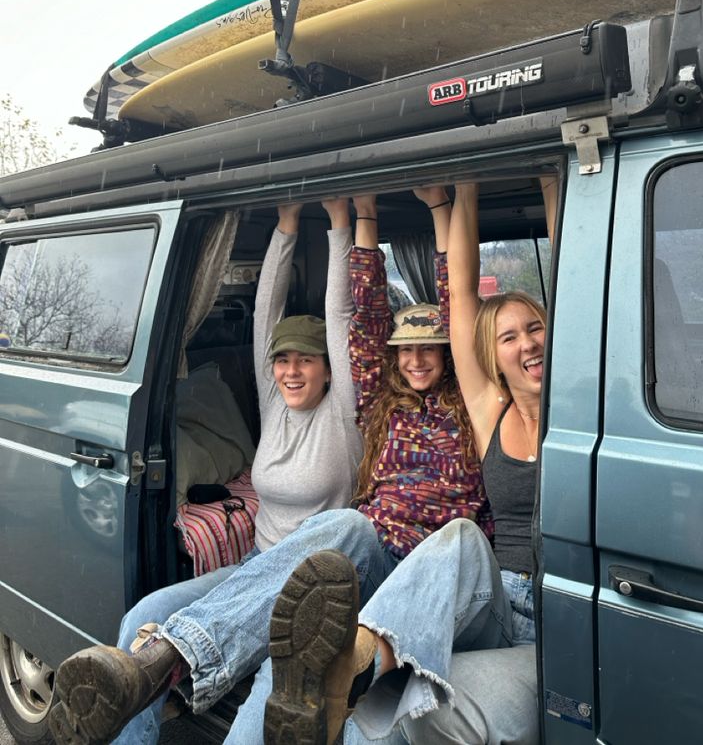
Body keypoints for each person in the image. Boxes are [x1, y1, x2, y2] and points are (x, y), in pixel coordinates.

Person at [49, 191, 491, 745]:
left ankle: (184, 652)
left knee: (279, 687)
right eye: (282, 359)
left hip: (337, 580)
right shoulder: (305, 403)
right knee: (146, 612)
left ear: (332, 369)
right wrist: (284, 225)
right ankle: (146, 688)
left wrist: (343, 219)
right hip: (260, 569)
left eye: (306, 358)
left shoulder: (368, 410)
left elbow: (352, 315)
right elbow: (276, 316)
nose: (291, 369)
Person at [264, 181, 545, 745]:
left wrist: (447, 205)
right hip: (383, 560)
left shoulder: (471, 406)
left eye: (430, 348)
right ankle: (348, 666)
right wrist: (360, 215)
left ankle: (359, 664)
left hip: (451, 575)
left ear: (449, 353)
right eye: (405, 349)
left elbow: (457, 299)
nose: (416, 359)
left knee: (461, 538)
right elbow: (364, 317)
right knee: (344, 529)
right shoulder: (376, 400)